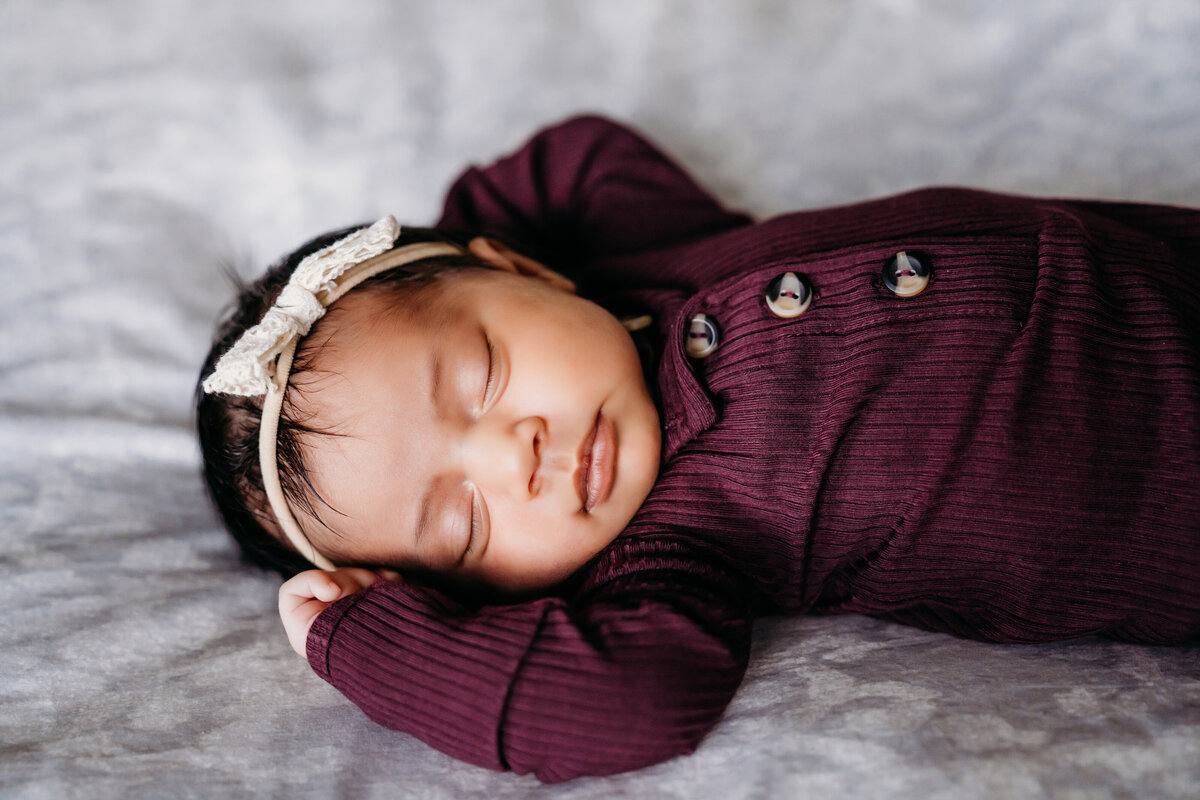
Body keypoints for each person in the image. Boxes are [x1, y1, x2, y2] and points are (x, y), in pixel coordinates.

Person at [196, 115, 1200, 782]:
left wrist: (449, 262)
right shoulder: (669, 553)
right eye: (463, 518)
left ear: (517, 267)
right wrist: (364, 638)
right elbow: (630, 701)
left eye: (484, 370)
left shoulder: (639, 253)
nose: (518, 455)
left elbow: (575, 152)